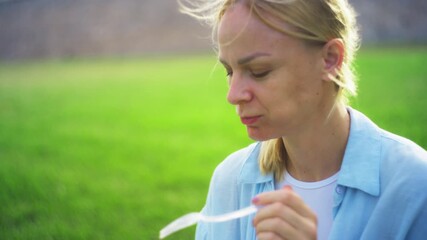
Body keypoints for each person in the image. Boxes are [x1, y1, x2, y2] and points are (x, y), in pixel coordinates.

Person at [179, 0, 427, 239]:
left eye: (259, 71)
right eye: (229, 71)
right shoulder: (230, 182)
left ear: (330, 58)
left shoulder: (414, 186)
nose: (233, 95)